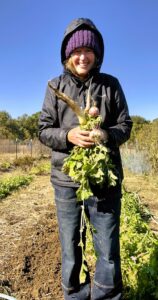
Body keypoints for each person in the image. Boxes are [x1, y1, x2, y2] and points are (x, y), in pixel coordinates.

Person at [39, 17, 132, 300]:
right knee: (71, 248)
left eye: (88, 51)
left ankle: (106, 295)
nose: (82, 56)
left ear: (97, 54)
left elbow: (125, 125)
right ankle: (76, 295)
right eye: (76, 52)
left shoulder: (110, 85)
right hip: (67, 183)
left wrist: (104, 134)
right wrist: (69, 136)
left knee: (107, 248)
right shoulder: (55, 86)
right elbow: (44, 130)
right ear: (68, 56)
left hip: (104, 182)